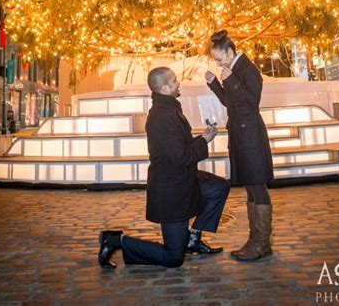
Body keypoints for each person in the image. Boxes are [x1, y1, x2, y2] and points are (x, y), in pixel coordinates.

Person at [98, 66, 230, 269]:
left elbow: (179, 150)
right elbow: (182, 156)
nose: (179, 83)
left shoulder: (169, 109)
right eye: (175, 81)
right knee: (174, 258)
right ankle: (116, 241)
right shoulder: (163, 116)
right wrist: (204, 140)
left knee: (218, 187)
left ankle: (192, 239)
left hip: (184, 179)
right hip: (171, 192)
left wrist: (203, 138)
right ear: (166, 88)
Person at [205, 30, 273, 262]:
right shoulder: (233, 70)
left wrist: (230, 79)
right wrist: (215, 84)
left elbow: (252, 101)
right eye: (215, 60)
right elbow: (230, 100)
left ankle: (261, 242)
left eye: (219, 58)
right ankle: (256, 240)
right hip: (240, 134)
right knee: (250, 187)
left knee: (257, 185)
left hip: (251, 134)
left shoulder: (247, 68)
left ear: (230, 51)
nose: (218, 63)